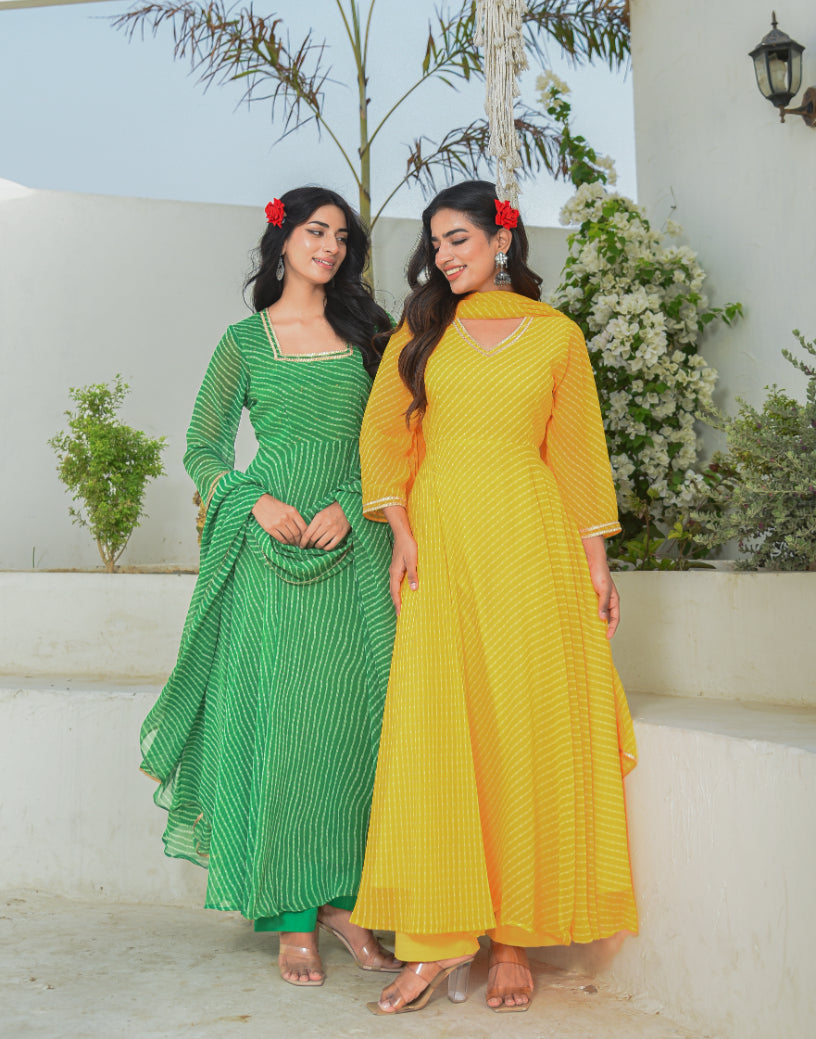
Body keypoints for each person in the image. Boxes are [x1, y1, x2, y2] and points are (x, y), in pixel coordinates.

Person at [350, 180, 638, 1015]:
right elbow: (385, 436)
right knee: (440, 727)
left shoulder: (558, 338)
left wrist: (596, 561)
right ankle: (437, 944)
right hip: (443, 544)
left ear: (501, 239)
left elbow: (579, 452)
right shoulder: (422, 330)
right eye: (436, 243)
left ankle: (511, 939)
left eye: (459, 239)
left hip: (532, 547)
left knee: (521, 726)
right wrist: (401, 531)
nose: (445, 255)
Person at [140, 186, 401, 988]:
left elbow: (397, 439)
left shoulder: (373, 338)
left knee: (356, 724)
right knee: (284, 721)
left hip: (352, 544)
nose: (328, 245)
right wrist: (253, 499)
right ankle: (290, 914)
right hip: (268, 548)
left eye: (341, 236)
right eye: (314, 230)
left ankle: (348, 902)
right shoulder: (245, 342)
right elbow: (202, 444)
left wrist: (352, 506)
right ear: (282, 238)